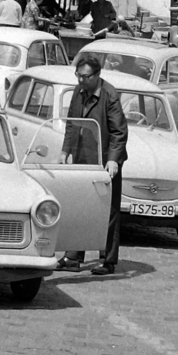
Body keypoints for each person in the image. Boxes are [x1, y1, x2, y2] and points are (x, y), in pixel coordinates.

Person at [60, 52, 128, 276]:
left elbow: (119, 131)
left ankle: (108, 260)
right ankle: (73, 256)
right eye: (78, 75)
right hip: (82, 157)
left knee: (108, 211)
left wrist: (113, 160)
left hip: (105, 161)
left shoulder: (110, 95)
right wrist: (65, 151)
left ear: (97, 75)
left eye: (85, 77)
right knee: (79, 205)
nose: (80, 80)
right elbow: (71, 123)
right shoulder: (78, 91)